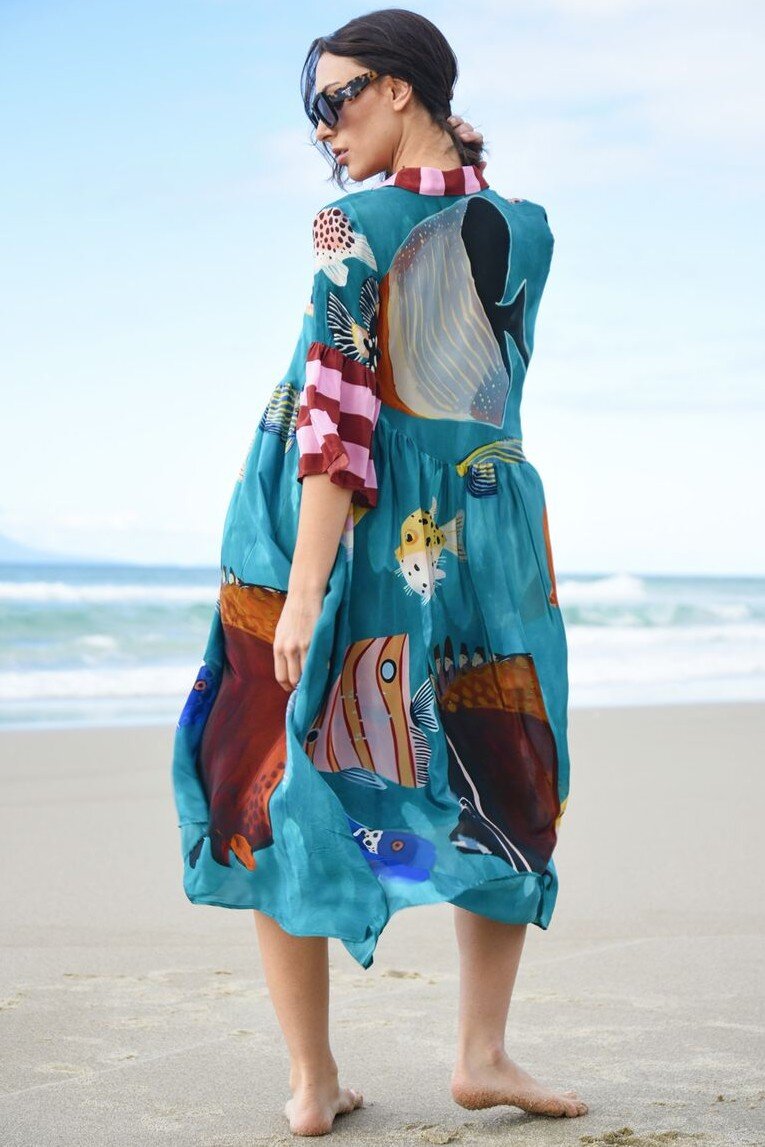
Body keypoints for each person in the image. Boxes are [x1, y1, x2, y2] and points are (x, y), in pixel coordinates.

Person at [171, 7, 588, 1138]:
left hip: (336, 522)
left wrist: (304, 590)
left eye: (334, 98)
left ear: (401, 88)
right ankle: (478, 1054)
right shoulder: (528, 227)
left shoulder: (347, 224)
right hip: (483, 524)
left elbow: (337, 417)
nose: (322, 127)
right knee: (503, 760)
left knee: (275, 766)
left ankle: (315, 1080)